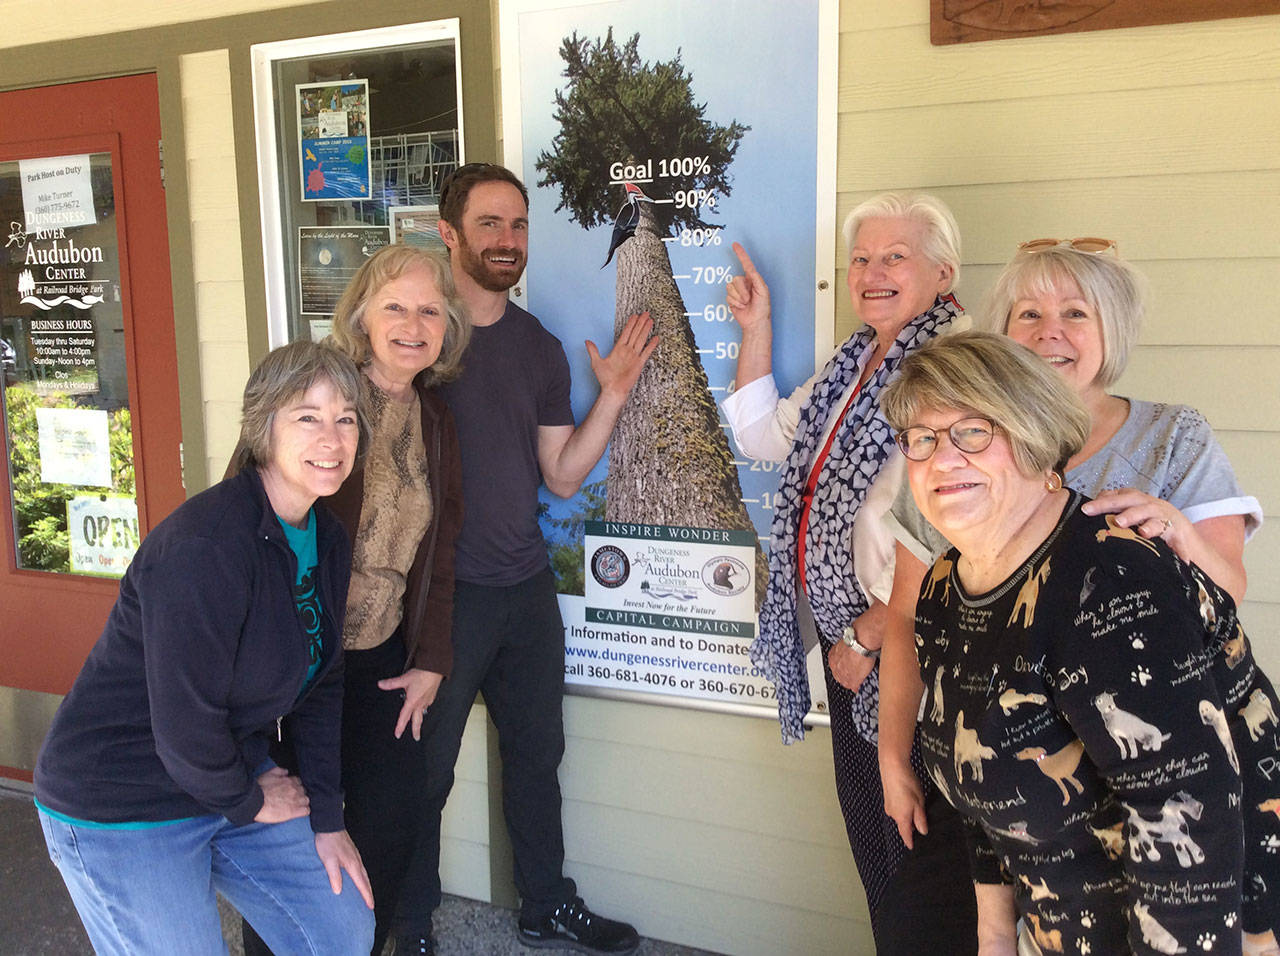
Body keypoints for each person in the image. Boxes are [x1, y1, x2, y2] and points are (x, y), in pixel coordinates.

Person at [880, 330, 1280, 955]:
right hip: (1060, 927)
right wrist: (993, 936)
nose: (942, 458)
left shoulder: (1108, 576)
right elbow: (983, 775)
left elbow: (1185, 812)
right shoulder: (942, 588)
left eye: (973, 431)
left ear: (1037, 439)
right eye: (922, 439)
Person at [34, 341, 376, 955]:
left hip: (222, 771)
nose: (332, 437)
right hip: (123, 794)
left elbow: (323, 684)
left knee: (341, 930)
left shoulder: (326, 537)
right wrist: (246, 799)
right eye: (308, 416)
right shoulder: (206, 546)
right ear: (262, 427)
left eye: (346, 418)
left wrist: (328, 816)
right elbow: (185, 721)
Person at [721, 192, 977, 952]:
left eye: (894, 256)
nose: (871, 272)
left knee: (921, 851)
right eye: (861, 258)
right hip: (849, 643)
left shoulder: (961, 367)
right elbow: (767, 437)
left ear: (944, 271)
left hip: (908, 647)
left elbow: (956, 530)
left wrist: (870, 633)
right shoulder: (853, 365)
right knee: (880, 844)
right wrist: (756, 329)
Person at [411, 162, 656, 954]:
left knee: (536, 759)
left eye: (517, 225)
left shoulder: (538, 348)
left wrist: (612, 390)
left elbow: (560, 473)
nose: (507, 241)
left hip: (521, 591)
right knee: (424, 774)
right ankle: (408, 920)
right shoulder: (416, 340)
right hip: (440, 601)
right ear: (449, 234)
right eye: (489, 224)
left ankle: (545, 902)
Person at [240, 246, 469, 956]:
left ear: (447, 327)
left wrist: (431, 658)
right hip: (299, 664)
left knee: (393, 825)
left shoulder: (434, 419)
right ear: (362, 315)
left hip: (381, 660)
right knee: (297, 845)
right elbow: (250, 514)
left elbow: (444, 546)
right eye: (395, 306)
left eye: (429, 310)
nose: (412, 323)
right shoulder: (324, 400)